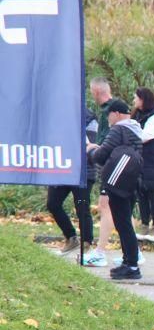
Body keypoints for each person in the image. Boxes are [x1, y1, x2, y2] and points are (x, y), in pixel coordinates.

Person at [86, 98, 145, 281]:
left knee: (123, 223)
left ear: (116, 114)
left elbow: (102, 155)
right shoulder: (135, 130)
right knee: (124, 222)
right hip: (132, 181)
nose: (108, 119)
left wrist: (91, 150)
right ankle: (129, 262)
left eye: (109, 115)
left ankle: (132, 265)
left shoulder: (119, 129)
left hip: (118, 183)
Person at [47, 108, 97, 255]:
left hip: (83, 170)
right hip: (62, 167)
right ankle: (71, 237)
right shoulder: (56, 114)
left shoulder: (89, 118)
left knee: (82, 206)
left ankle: (86, 242)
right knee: (53, 203)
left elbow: (90, 145)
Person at [82, 78, 117, 267]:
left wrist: (96, 148)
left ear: (96, 91)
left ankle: (100, 252)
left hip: (112, 164)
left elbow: (111, 138)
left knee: (105, 205)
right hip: (116, 163)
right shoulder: (114, 108)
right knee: (120, 207)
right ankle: (134, 251)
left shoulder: (109, 111)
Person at [132, 87, 154, 242]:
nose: (134, 100)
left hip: (152, 162)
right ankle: (144, 224)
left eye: (136, 98)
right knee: (141, 195)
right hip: (141, 161)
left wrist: (130, 134)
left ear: (143, 100)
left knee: (153, 194)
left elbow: (145, 136)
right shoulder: (138, 115)